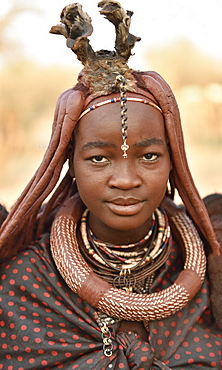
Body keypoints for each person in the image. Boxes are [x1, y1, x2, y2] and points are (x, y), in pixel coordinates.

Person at [0, 2, 221, 369]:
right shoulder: (27, 284)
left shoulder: (207, 270)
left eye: (149, 156)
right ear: (70, 163)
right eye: (99, 159)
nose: (125, 179)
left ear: (173, 160)